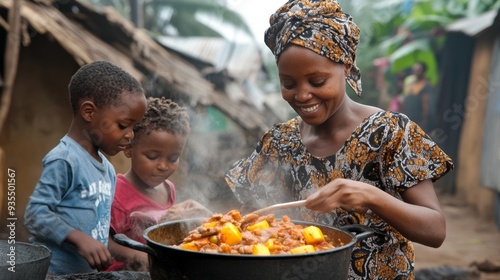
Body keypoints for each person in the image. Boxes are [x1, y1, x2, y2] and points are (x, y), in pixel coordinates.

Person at [224, 1, 454, 279]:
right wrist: (207, 218)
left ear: (346, 66)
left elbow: (435, 230)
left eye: (317, 82)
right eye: (288, 83)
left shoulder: (391, 133)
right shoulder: (280, 141)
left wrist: (371, 196)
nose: (302, 95)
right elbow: (250, 215)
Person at [24, 61, 147, 275]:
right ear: (89, 112)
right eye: (123, 125)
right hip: (53, 274)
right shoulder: (65, 159)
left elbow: (98, 234)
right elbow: (35, 214)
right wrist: (79, 239)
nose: (130, 135)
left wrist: (130, 254)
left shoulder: (107, 170)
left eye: (133, 128)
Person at [107, 97, 212, 271]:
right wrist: (140, 257)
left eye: (173, 158)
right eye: (152, 157)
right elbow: (105, 242)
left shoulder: (168, 189)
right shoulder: (116, 192)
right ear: (129, 148)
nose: (163, 166)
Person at [401, 62, 433, 131]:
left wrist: (425, 118)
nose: (416, 72)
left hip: (419, 117)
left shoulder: (426, 85)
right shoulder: (411, 84)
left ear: (423, 71)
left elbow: (427, 103)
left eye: (418, 70)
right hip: (408, 114)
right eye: (414, 70)